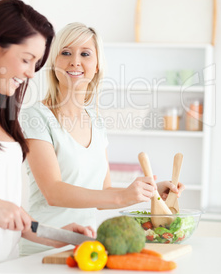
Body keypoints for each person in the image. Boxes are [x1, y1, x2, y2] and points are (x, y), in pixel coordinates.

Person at [0, 1, 94, 274]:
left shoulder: (5, 117)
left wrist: (56, 235)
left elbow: (6, 213)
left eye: (37, 63)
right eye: (26, 59)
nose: (31, 73)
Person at [20, 22, 185, 256]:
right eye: (65, 53)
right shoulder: (35, 116)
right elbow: (53, 192)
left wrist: (151, 192)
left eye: (85, 54)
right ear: (54, 63)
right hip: (42, 248)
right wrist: (121, 196)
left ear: (96, 66)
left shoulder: (96, 121)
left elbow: (102, 192)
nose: (75, 61)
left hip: (83, 247)